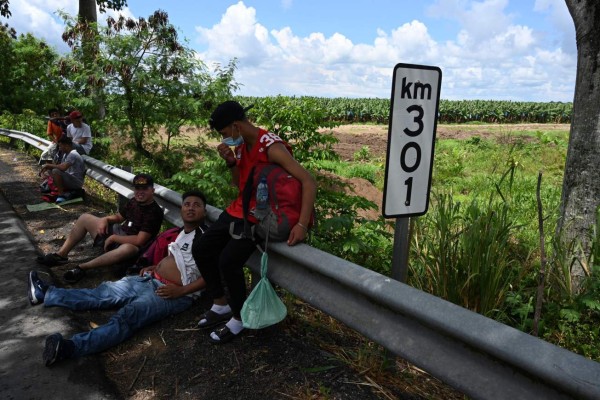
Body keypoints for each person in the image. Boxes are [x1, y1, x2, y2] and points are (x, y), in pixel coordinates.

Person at [27, 191, 209, 366]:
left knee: (128, 316)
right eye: (187, 204)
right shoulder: (182, 233)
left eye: (196, 205)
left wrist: (181, 291)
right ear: (181, 209)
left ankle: (70, 348)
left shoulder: (207, 237)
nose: (191, 208)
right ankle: (47, 294)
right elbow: (179, 262)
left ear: (205, 211)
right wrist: (156, 267)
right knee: (102, 292)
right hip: (151, 279)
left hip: (173, 293)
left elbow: (212, 275)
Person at [192, 100, 316, 344]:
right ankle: (220, 304)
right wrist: (231, 162)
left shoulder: (271, 147)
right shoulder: (242, 147)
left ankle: (239, 317)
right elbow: (238, 184)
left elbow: (308, 181)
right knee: (202, 247)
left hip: (261, 217)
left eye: (226, 133)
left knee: (229, 261)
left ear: (236, 126)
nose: (225, 138)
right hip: (240, 208)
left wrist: (301, 225)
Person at [36, 173, 164, 284]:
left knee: (129, 248)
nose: (140, 192)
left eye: (144, 189)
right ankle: (61, 255)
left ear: (152, 190)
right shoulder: (133, 201)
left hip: (134, 247)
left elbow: (140, 240)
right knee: (85, 217)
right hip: (120, 233)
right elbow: (119, 217)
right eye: (137, 188)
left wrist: (114, 237)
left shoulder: (154, 212)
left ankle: (82, 267)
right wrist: (105, 219)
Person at [38, 136, 86, 203]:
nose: (59, 149)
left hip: (76, 182)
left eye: (60, 146)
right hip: (70, 178)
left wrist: (48, 165)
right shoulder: (66, 155)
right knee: (51, 170)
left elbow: (63, 168)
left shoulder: (73, 154)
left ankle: (61, 194)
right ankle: (57, 190)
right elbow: (59, 166)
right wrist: (47, 168)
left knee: (56, 171)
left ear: (66, 145)